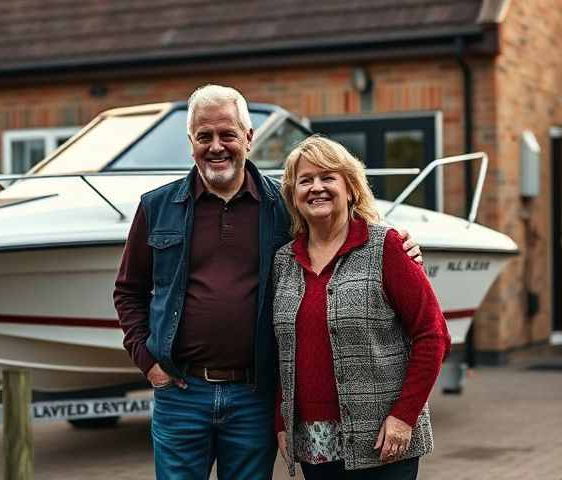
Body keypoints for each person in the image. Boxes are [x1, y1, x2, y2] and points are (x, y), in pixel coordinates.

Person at [113, 85, 421, 479]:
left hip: (252, 395)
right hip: (181, 393)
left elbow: (339, 229)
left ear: (248, 137)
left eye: (227, 134)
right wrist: (147, 359)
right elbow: (128, 291)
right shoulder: (156, 208)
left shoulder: (282, 208)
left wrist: (399, 242)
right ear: (190, 141)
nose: (216, 146)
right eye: (204, 136)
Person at [272, 135, 451, 480]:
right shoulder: (284, 261)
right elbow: (283, 350)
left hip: (383, 438)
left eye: (327, 177)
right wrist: (282, 420)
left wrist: (404, 416)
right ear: (294, 196)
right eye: (305, 180)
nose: (316, 188)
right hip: (314, 441)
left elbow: (432, 335)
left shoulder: (387, 247)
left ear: (351, 188)